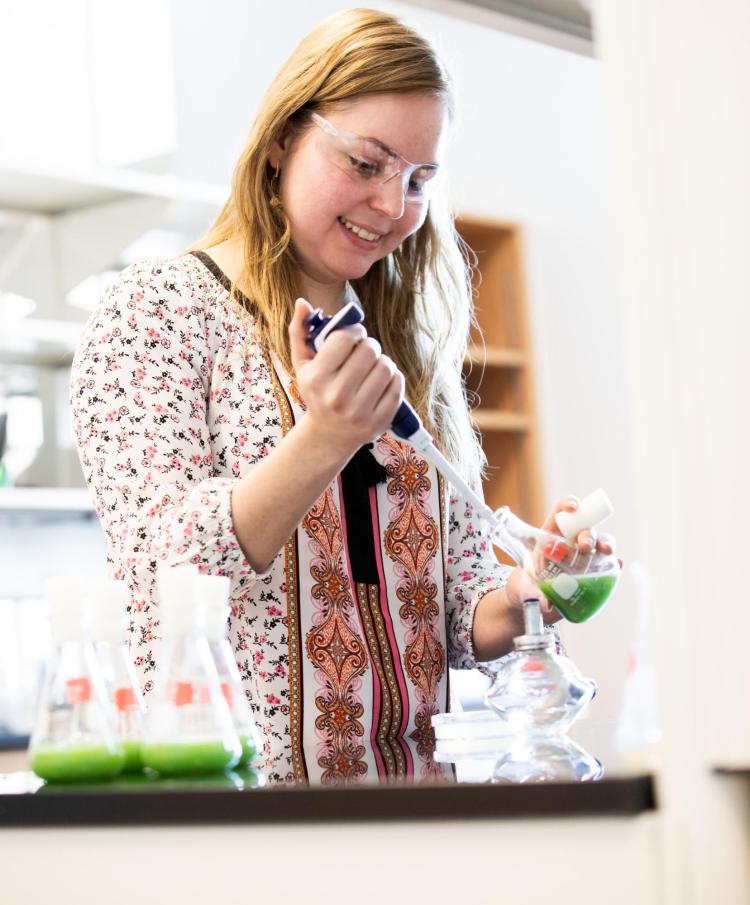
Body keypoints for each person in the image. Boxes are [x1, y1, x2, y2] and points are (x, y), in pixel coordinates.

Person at [71, 8, 614, 784]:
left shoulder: (402, 343)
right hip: (240, 811)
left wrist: (533, 591)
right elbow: (165, 573)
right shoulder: (157, 314)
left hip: (412, 811)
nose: (394, 207)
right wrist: (321, 438)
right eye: (367, 163)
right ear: (285, 136)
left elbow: (457, 609)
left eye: (420, 179)